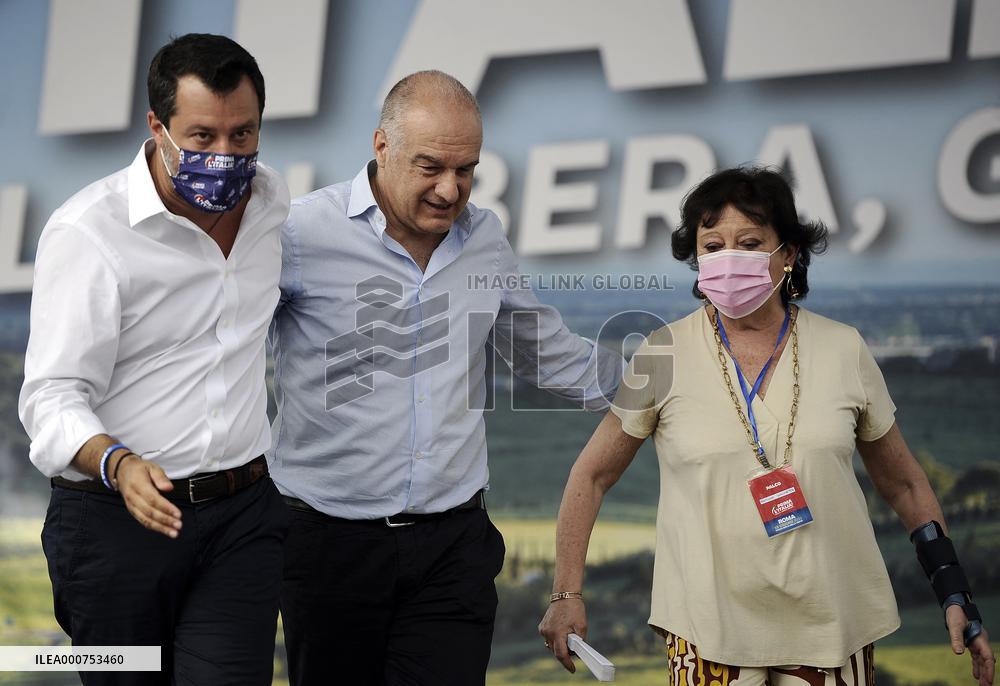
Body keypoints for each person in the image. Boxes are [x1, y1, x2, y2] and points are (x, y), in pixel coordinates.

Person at [538, 167, 995, 686]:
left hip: (830, 625)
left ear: (789, 254)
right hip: (707, 628)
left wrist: (954, 591)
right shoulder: (663, 353)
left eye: (749, 242)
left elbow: (906, 484)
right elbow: (592, 475)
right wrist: (566, 594)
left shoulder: (844, 348)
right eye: (712, 246)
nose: (728, 259)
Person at [269, 69, 622, 686]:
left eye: (466, 171)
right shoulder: (300, 233)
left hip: (453, 547)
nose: (450, 189)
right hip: (329, 547)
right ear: (381, 146)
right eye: (430, 167)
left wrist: (674, 380)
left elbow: (547, 355)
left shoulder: (484, 239)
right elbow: (221, 345)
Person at [19, 33, 291, 686]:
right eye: (202, 138)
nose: (225, 156)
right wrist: (119, 462)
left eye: (243, 134)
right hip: (114, 529)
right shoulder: (89, 232)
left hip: (242, 517)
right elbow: (50, 396)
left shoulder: (272, 203)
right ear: (157, 127)